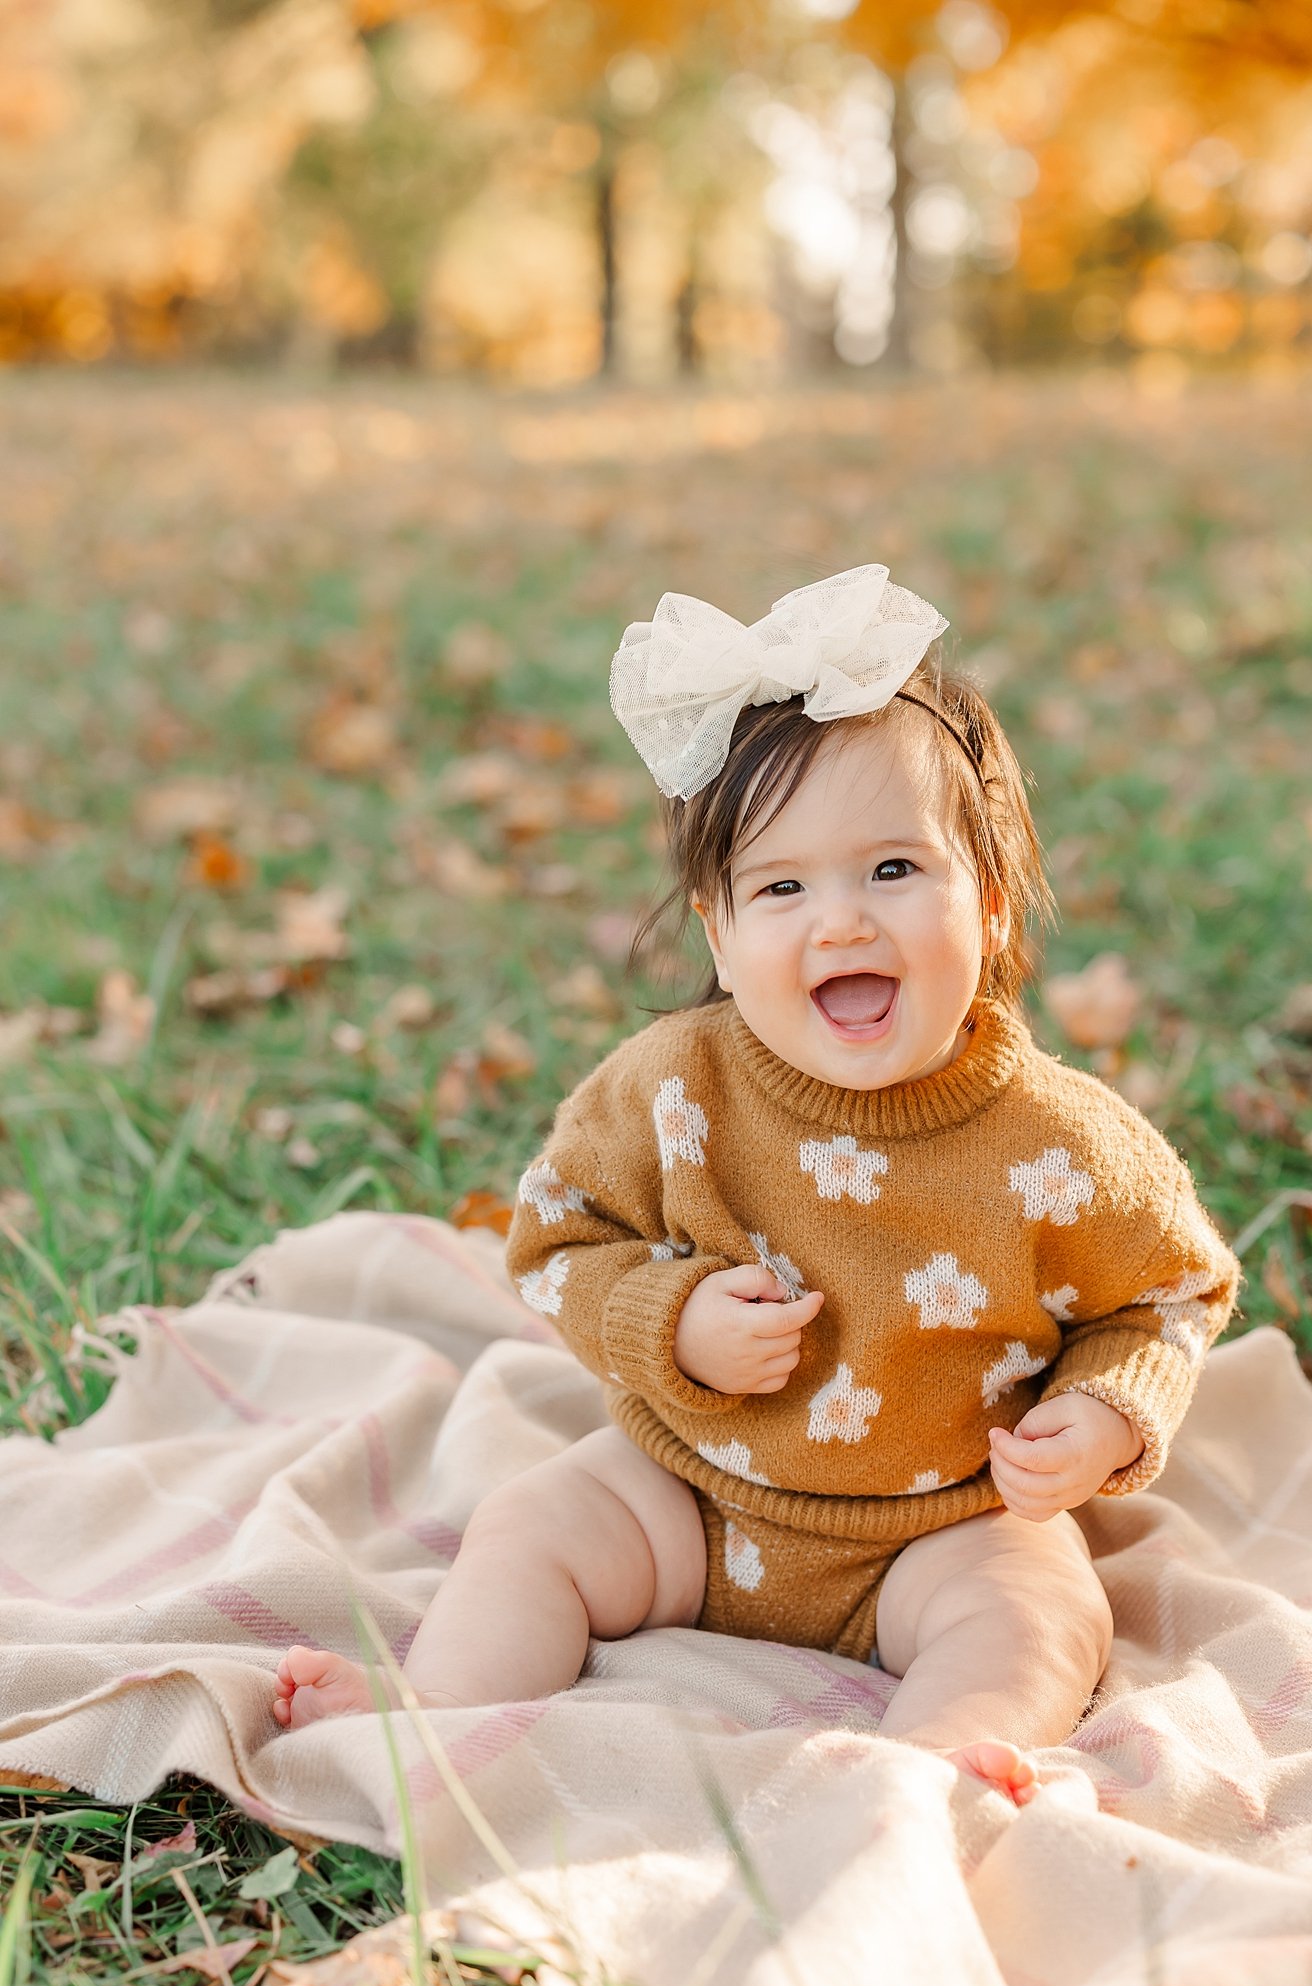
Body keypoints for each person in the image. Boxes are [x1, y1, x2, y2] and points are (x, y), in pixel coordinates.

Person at [273, 564, 1239, 1799]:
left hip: (939, 1524)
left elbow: (1168, 1298)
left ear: (989, 905)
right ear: (720, 932)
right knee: (531, 1523)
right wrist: (667, 1320)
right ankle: (442, 1703)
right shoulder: (673, 1090)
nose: (839, 923)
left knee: (1044, 1611)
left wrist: (1107, 1416)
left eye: (894, 871)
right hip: (689, 1498)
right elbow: (557, 1240)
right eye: (782, 888)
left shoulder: (1058, 1144)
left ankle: (928, 1773)